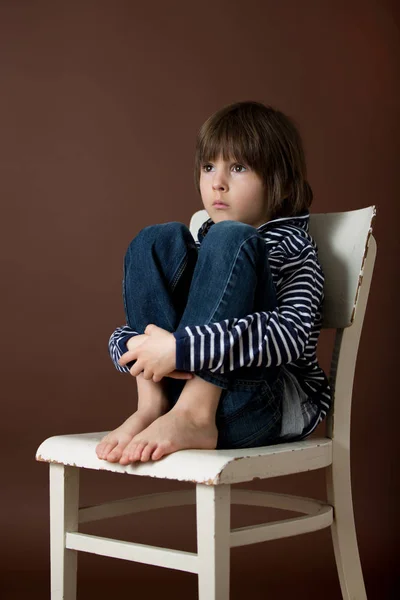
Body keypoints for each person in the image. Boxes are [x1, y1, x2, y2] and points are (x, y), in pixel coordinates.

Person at [95, 100, 332, 465]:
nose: (217, 183)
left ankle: (195, 414)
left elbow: (290, 336)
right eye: (209, 167)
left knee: (230, 238)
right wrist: (137, 347)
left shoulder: (293, 247)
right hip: (175, 396)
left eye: (238, 167)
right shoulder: (202, 246)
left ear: (282, 185)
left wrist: (181, 349)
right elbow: (146, 337)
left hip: (259, 405)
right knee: (153, 239)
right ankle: (151, 406)